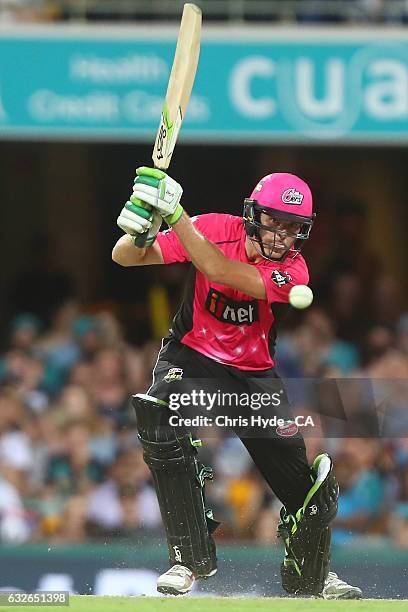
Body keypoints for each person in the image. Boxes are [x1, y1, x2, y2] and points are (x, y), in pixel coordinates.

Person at [112, 167, 362, 599]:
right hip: (192, 354)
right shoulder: (210, 227)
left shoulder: (294, 272)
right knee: (158, 418)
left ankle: (316, 576)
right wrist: (142, 223)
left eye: (293, 228)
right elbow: (123, 256)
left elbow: (221, 271)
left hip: (253, 374)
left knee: (301, 482)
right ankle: (186, 560)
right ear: (253, 215)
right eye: (274, 222)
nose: (282, 236)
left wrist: (176, 216)